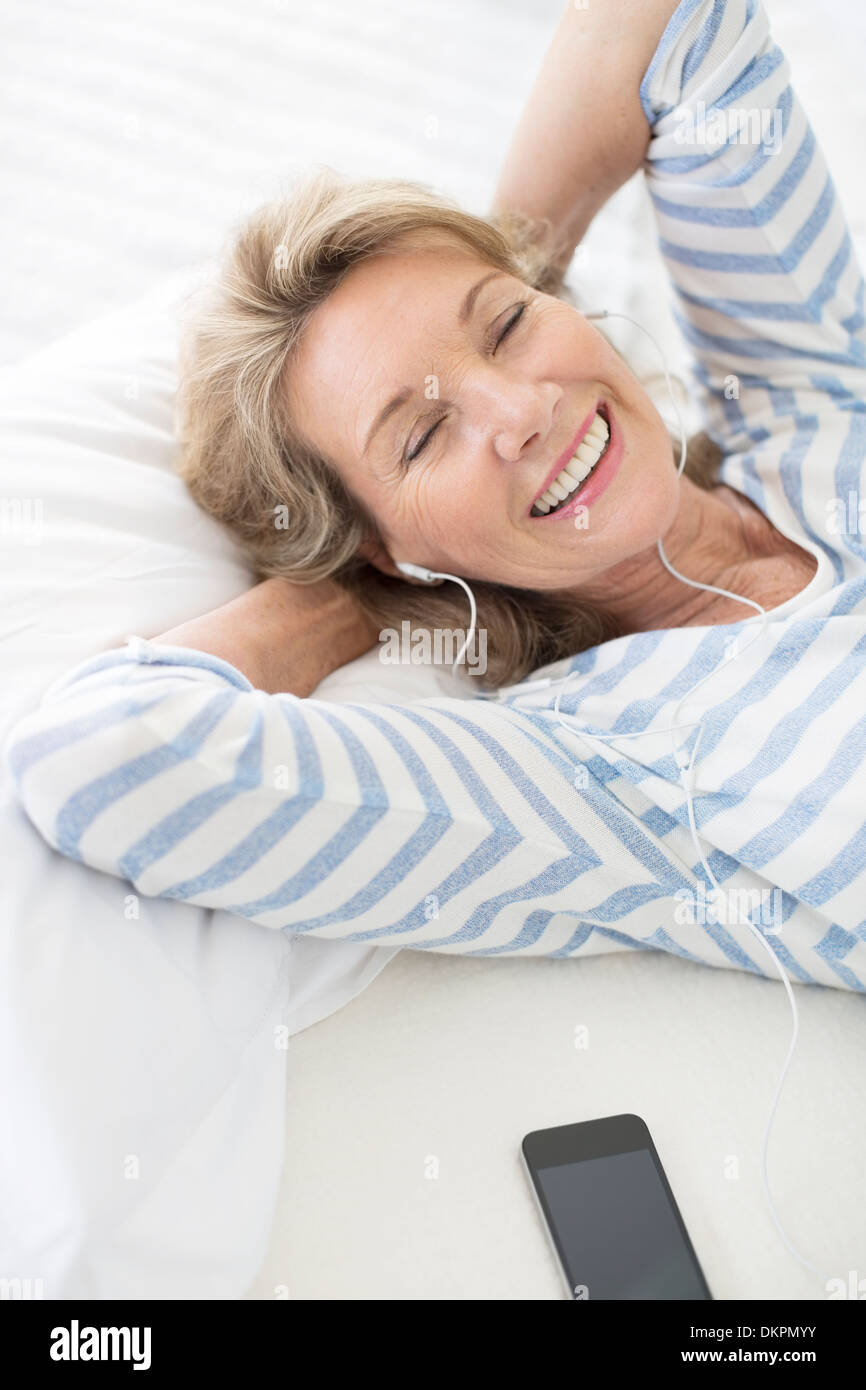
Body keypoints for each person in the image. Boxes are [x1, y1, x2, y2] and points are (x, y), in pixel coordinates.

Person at [5, 0, 866, 992]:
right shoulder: (599, 773)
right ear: (386, 545)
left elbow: (664, 24)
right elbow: (105, 759)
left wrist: (514, 255)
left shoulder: (805, 402)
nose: (522, 411)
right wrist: (356, 594)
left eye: (507, 326)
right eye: (421, 436)